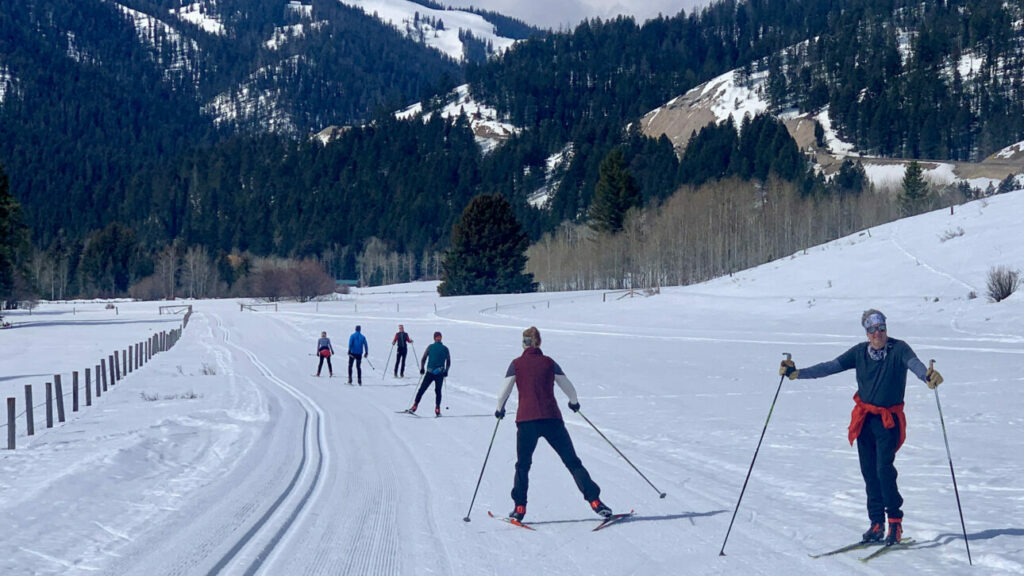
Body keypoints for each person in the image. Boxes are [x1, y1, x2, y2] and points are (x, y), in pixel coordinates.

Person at [779, 309, 943, 546]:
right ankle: (876, 523)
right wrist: (797, 373)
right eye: (873, 329)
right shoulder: (859, 353)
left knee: (883, 469)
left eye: (881, 328)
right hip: (865, 419)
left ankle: (895, 522)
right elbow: (830, 366)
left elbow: (915, 365)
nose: (878, 333)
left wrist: (927, 376)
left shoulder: (899, 349)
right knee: (869, 471)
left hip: (889, 420)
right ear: (867, 333)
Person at [494, 326, 612, 523]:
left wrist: (500, 409)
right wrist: (573, 403)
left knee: (523, 465)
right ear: (539, 342)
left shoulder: (516, 364)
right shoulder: (549, 363)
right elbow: (569, 387)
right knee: (572, 461)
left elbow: (503, 392)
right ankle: (595, 502)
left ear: (524, 343)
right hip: (552, 419)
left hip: (526, 421)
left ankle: (519, 507)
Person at [409, 331, 450, 416]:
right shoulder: (445, 348)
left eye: (439, 337)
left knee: (422, 389)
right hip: (439, 373)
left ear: (434, 338)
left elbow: (423, 359)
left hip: (430, 372)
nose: (439, 338)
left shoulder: (430, 347)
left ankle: (415, 406)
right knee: (438, 391)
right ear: (439, 338)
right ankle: (437, 409)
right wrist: (446, 371)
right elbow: (448, 361)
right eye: (439, 337)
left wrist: (422, 368)